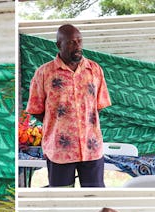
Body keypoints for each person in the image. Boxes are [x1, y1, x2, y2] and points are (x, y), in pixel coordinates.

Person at [26, 24, 111, 187]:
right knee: (61, 198)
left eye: (79, 41)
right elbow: (36, 109)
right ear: (59, 45)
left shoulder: (94, 70)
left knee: (95, 197)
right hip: (59, 150)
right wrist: (60, 123)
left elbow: (98, 105)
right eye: (72, 42)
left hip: (91, 148)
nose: (78, 46)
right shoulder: (44, 73)